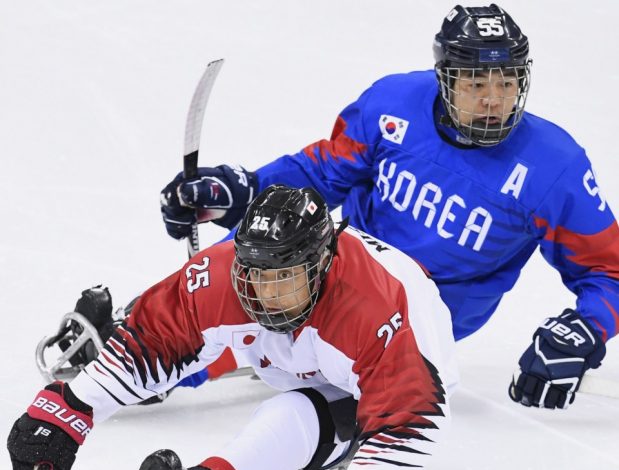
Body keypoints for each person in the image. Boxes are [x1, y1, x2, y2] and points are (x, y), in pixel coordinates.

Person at [159, 4, 617, 411]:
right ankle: (142, 335)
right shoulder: (392, 104)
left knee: (296, 335)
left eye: (507, 82)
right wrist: (243, 190)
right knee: (260, 253)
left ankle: (177, 353)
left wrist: (584, 329)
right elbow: (321, 175)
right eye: (476, 83)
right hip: (342, 268)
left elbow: (610, 272)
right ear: (446, 80)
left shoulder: (554, 167)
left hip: (427, 312)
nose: (494, 99)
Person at [7, 185, 457, 470]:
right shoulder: (227, 272)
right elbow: (156, 336)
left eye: (285, 277)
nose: (268, 295)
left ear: (321, 264)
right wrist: (72, 406)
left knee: (291, 415)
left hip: (388, 377)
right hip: (295, 357)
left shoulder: (374, 303)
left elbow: (411, 410)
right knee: (261, 369)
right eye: (257, 275)